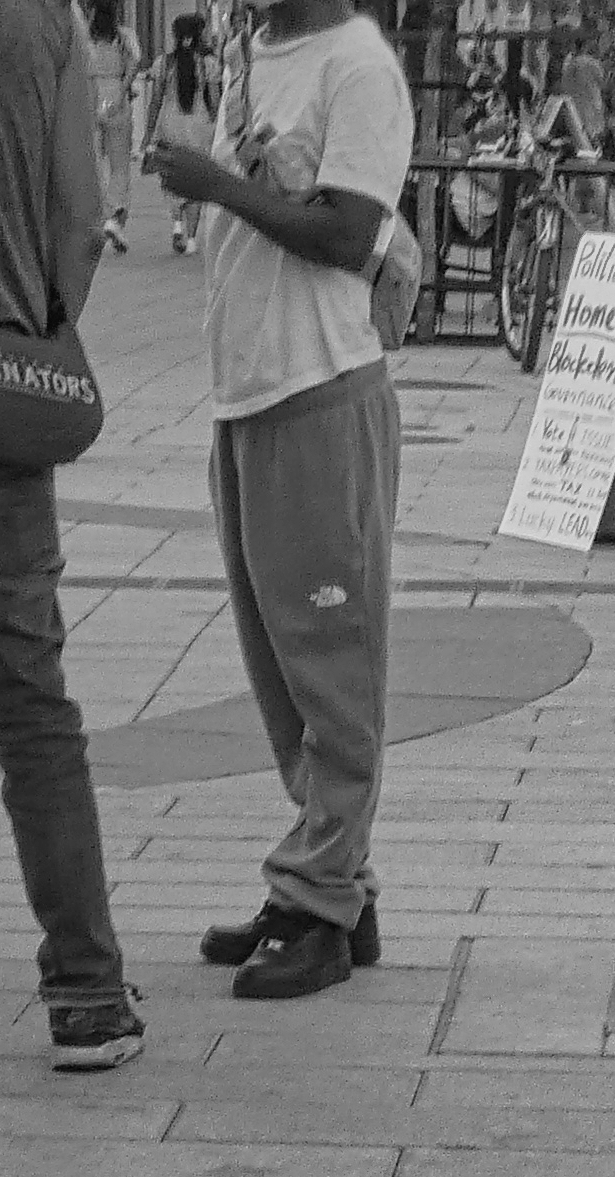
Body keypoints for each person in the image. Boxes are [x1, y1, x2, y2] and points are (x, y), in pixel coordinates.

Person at [149, 0, 412, 1004]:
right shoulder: (256, 51)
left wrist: (217, 185)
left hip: (320, 385)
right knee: (279, 664)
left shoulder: (359, 66)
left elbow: (350, 234)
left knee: (330, 662)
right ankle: (332, 878)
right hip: (252, 391)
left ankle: (322, 899)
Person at [0, 0, 140, 1068]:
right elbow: (79, 220)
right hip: (1, 392)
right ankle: (86, 995)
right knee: (30, 699)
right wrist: (43, 328)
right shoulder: (40, 19)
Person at [149, 15, 221, 251]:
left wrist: (148, 132)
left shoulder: (163, 63)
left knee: (171, 176)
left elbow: (156, 100)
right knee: (197, 178)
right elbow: (214, 100)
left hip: (170, 126)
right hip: (199, 127)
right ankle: (191, 239)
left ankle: (177, 224)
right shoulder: (208, 64)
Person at [85, 0, 141, 250]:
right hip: (115, 94)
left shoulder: (85, 36)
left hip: (89, 94)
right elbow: (135, 62)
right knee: (119, 164)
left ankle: (96, 213)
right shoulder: (124, 36)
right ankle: (115, 212)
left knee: (93, 160)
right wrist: (123, 88)